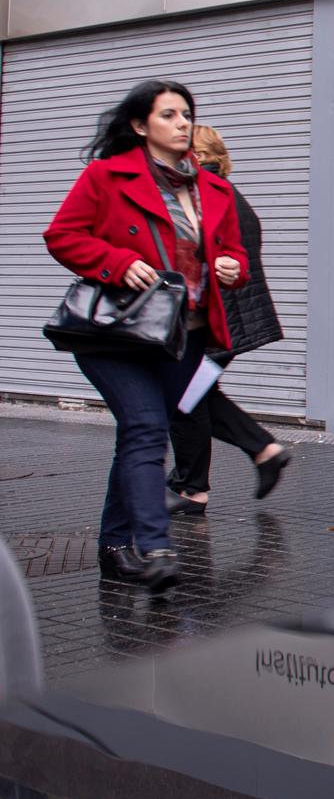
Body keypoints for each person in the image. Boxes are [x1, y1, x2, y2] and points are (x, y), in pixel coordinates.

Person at [44, 81, 249, 592]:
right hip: (116, 334)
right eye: (169, 115)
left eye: (187, 114)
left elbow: (235, 255)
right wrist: (118, 262)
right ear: (140, 126)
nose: (183, 123)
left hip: (181, 334)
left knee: (139, 433)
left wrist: (231, 266)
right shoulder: (106, 177)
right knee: (145, 427)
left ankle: (115, 548)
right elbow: (63, 236)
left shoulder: (214, 190)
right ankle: (155, 547)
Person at [165, 124, 291, 515]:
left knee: (183, 398)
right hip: (229, 323)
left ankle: (196, 486)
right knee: (194, 395)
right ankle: (254, 455)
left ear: (198, 157)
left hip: (215, 326)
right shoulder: (228, 195)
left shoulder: (206, 196)